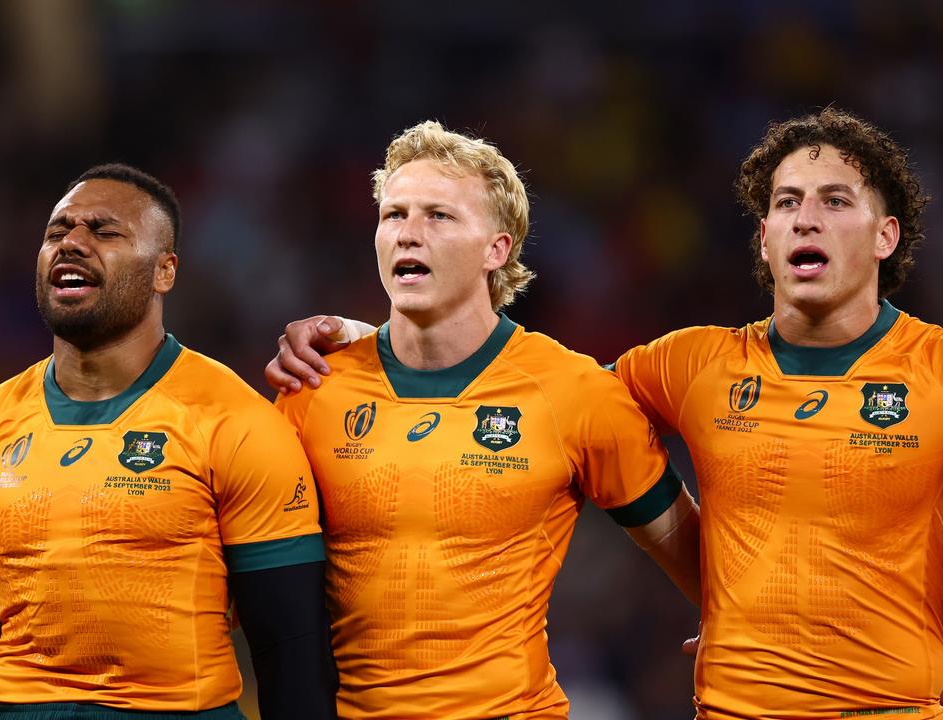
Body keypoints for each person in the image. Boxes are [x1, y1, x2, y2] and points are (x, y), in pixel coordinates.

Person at [269, 109, 942, 719]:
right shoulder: (689, 366)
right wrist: (360, 336)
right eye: (787, 203)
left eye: (834, 201)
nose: (806, 219)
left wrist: (739, 610)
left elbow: (564, 400)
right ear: (764, 237)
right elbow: (540, 390)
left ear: (886, 236)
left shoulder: (934, 369)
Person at [0, 164, 336, 720]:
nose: (72, 244)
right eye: (57, 232)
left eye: (105, 232)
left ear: (165, 271)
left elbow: (290, 654)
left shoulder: (238, 425)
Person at [269, 121, 699, 720]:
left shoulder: (571, 391)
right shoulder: (313, 388)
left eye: (439, 216)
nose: (408, 234)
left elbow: (692, 550)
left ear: (496, 249)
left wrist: (740, 629)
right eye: (394, 215)